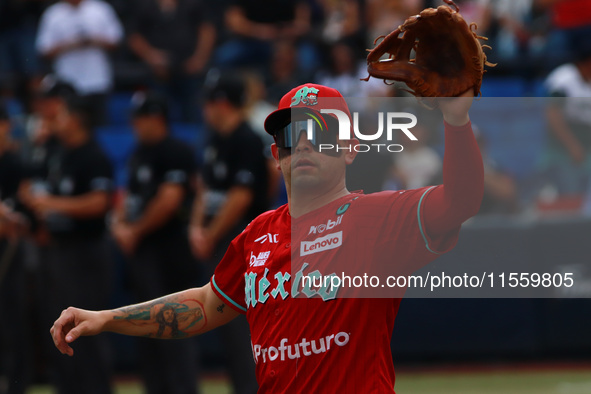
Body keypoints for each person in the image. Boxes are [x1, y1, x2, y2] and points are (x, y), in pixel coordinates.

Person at [50, 83, 483, 392]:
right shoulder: (257, 235)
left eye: (321, 132)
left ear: (351, 147)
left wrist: (456, 120)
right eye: (292, 135)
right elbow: (204, 305)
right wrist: (108, 317)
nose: (305, 145)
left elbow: (461, 200)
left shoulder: (380, 217)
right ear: (277, 156)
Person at [22, 98, 115, 394]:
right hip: (57, 250)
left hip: (86, 252)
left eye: (61, 115)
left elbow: (99, 202)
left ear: (75, 119)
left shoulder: (93, 155)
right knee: (57, 327)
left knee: (87, 331)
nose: (54, 120)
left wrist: (50, 204)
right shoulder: (57, 153)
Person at [110, 92, 200, 394]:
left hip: (169, 251)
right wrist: (120, 225)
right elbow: (126, 196)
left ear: (156, 118)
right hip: (142, 252)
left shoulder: (175, 151)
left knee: (173, 325)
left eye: (140, 118)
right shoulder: (139, 152)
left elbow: (169, 201)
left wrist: (134, 230)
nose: (135, 125)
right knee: (145, 327)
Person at [190, 72, 270, 394]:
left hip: (243, 244)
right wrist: (197, 229)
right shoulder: (216, 140)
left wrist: (207, 233)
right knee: (229, 333)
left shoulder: (247, 139)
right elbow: (204, 189)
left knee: (244, 332)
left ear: (222, 102)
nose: (205, 108)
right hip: (217, 240)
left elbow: (242, 197)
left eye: (210, 101)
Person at [35, 0, 123, 126]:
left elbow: (116, 40)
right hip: (67, 83)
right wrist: (70, 44)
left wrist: (94, 40)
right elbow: (43, 50)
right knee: (71, 127)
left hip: (97, 81)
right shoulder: (53, 14)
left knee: (99, 125)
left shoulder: (101, 9)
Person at [127, 0, 216, 122]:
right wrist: (151, 56)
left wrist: (199, 59)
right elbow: (134, 36)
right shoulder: (145, 5)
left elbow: (207, 30)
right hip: (159, 72)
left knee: (194, 113)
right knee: (157, 114)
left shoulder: (193, 4)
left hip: (190, 69)